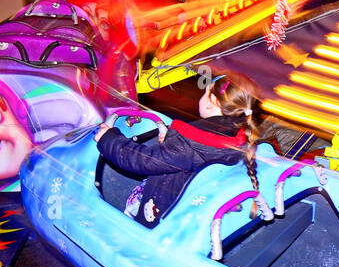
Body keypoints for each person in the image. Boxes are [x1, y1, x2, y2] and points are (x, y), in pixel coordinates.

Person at [94, 72, 264, 227]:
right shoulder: (239, 135)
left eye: (205, 92)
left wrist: (108, 138)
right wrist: (171, 140)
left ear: (212, 102)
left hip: (163, 210)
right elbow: (186, 155)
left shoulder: (190, 142)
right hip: (191, 206)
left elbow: (142, 160)